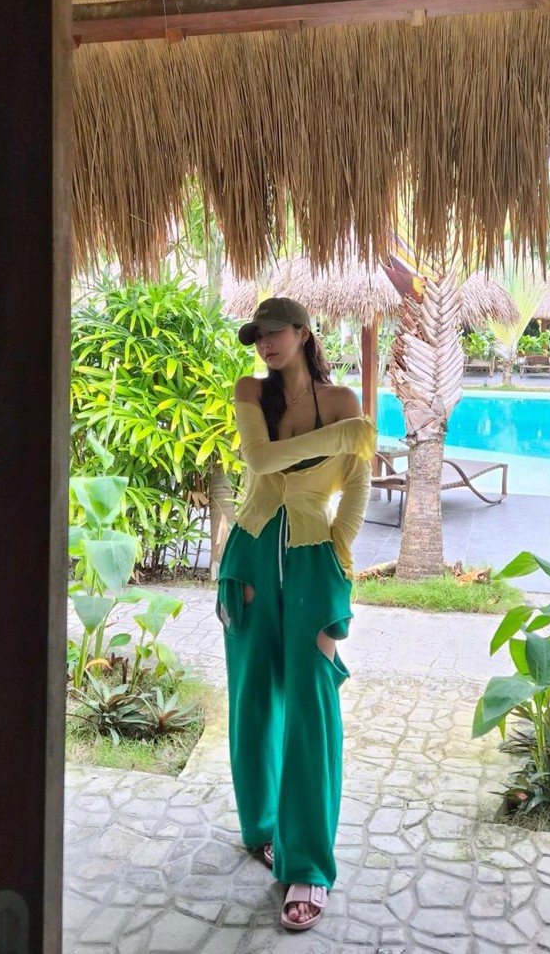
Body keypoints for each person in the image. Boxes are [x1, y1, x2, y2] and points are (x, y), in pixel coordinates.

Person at [216, 296, 375, 932]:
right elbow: (260, 461)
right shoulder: (251, 392)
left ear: (304, 333)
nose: (266, 343)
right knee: (253, 700)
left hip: (314, 558)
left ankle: (307, 864)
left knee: (311, 704)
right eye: (258, 335)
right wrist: (347, 435)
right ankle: (262, 828)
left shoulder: (341, 398)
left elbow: (357, 481)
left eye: (276, 332)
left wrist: (339, 551)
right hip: (252, 555)